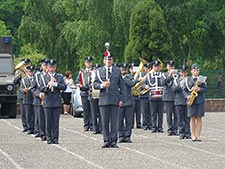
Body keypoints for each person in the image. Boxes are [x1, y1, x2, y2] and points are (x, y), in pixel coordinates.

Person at [93, 52, 125, 148]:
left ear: (112, 61)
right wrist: (102, 85)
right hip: (103, 99)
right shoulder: (99, 71)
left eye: (110, 59)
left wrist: (122, 99)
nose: (108, 61)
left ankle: (114, 141)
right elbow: (95, 84)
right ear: (104, 61)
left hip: (114, 99)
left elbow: (122, 86)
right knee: (104, 121)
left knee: (114, 121)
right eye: (107, 59)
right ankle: (106, 140)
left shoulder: (117, 71)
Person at [39, 59, 66, 144]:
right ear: (47, 67)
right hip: (47, 101)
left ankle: (55, 138)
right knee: (48, 121)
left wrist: (56, 84)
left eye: (53, 67)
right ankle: (48, 138)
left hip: (56, 101)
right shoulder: (44, 77)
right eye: (50, 67)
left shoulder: (59, 76)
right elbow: (41, 88)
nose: (51, 69)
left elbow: (64, 87)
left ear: (55, 67)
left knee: (55, 121)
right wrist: (47, 86)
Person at [182, 64, 207, 141]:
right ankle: (193, 135)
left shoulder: (201, 79)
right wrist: (187, 96)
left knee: (199, 118)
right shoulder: (187, 79)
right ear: (191, 71)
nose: (196, 72)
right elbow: (184, 90)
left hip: (199, 100)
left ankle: (198, 135)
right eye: (194, 70)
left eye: (197, 70)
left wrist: (200, 89)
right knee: (192, 118)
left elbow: (205, 89)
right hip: (191, 100)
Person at [144, 60, 164, 133]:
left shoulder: (162, 75)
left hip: (161, 96)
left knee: (160, 113)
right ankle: (154, 126)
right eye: (155, 66)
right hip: (152, 96)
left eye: (158, 66)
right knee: (153, 112)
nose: (156, 68)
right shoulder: (149, 75)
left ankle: (160, 127)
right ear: (153, 67)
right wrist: (145, 86)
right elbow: (143, 83)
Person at [118, 63, 136, 143]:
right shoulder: (116, 78)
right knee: (119, 120)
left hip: (128, 101)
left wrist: (123, 79)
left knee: (129, 120)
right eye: (122, 69)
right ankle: (121, 135)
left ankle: (128, 136)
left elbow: (132, 83)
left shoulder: (129, 77)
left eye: (124, 69)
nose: (123, 71)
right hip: (119, 101)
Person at [172, 65, 191, 139]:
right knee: (180, 118)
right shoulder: (176, 79)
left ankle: (188, 132)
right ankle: (181, 132)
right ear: (180, 72)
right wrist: (180, 85)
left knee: (187, 117)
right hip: (179, 101)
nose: (183, 74)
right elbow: (174, 89)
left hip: (187, 100)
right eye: (182, 72)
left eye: (185, 72)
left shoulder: (189, 79)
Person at [76, 56, 93, 131]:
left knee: (92, 110)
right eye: (87, 62)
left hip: (91, 92)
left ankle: (92, 125)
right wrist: (79, 84)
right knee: (85, 109)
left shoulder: (94, 71)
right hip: (84, 92)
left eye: (89, 62)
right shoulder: (81, 72)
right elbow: (78, 80)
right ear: (85, 63)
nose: (88, 64)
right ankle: (86, 125)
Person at [13, 58, 30, 132]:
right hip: (22, 94)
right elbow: (14, 82)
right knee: (23, 112)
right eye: (24, 64)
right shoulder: (19, 72)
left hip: (30, 94)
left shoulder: (31, 71)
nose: (25, 66)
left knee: (29, 112)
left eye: (26, 64)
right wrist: (18, 76)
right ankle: (25, 126)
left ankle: (30, 126)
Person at [162, 60, 178, 136]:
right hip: (168, 96)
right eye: (169, 66)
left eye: (172, 66)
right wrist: (170, 76)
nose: (171, 68)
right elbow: (163, 82)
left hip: (176, 96)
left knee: (176, 114)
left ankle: (175, 129)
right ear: (167, 67)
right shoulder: (164, 74)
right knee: (169, 114)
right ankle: (170, 129)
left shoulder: (178, 74)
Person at [20, 65, 35, 135]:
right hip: (27, 99)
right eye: (29, 72)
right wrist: (23, 90)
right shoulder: (24, 80)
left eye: (32, 72)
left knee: (34, 115)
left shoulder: (35, 79)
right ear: (27, 72)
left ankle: (34, 128)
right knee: (28, 114)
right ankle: (29, 128)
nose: (31, 73)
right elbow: (20, 88)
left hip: (34, 99)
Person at [89, 63, 102, 134]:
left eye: (97, 69)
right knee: (93, 113)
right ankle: (95, 128)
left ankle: (101, 128)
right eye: (94, 69)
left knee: (101, 113)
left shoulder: (101, 75)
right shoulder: (90, 75)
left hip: (100, 95)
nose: (95, 70)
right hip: (92, 95)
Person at [129, 63, 142, 129]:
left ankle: (139, 123)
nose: (133, 70)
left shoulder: (139, 76)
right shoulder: (128, 76)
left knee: (138, 111)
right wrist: (137, 80)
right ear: (130, 70)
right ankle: (131, 124)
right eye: (132, 69)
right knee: (131, 111)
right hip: (131, 96)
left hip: (138, 95)